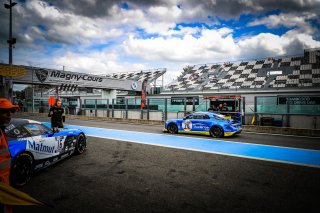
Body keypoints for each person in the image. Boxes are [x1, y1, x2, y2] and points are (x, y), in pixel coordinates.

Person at [0, 98, 19, 213]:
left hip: (5, 183)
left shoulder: (2, 129)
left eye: (11, 111)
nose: (9, 114)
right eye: (5, 111)